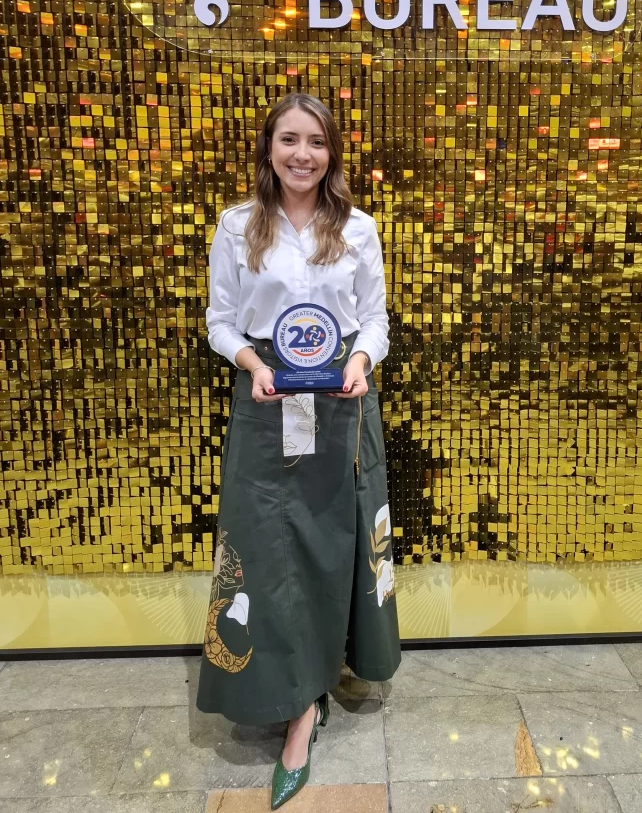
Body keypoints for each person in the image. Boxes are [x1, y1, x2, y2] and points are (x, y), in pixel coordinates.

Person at [196, 92, 401, 808]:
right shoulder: (236, 225)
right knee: (267, 548)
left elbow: (373, 319)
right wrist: (255, 367)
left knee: (327, 544)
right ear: (269, 148)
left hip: (340, 405)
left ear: (331, 152)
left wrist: (362, 361)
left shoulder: (359, 229)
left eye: (315, 141)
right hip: (266, 404)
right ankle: (285, 692)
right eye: (289, 139)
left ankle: (310, 698)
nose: (302, 154)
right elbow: (221, 322)